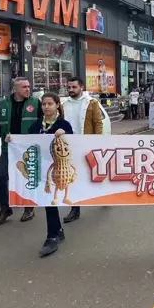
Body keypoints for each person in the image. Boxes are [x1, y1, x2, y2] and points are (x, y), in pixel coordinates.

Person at [8, 93, 73, 257]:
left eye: (50, 104)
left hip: (59, 169)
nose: (46, 107)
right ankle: (55, 233)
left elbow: (74, 145)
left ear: (57, 105)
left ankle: (53, 235)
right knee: (48, 202)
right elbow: (28, 144)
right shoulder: (36, 126)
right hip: (42, 170)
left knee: (53, 200)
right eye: (44, 104)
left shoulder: (63, 124)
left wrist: (64, 135)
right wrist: (13, 140)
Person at [0, 77, 41, 226]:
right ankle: (5, 209)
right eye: (24, 87)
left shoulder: (35, 103)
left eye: (28, 86)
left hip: (28, 148)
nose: (27, 89)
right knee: (1, 178)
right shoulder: (4, 104)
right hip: (9, 148)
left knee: (27, 178)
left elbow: (43, 124)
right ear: (15, 90)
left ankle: (29, 208)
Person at [61, 77, 104, 224]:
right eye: (69, 87)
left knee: (92, 173)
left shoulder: (91, 103)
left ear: (81, 87)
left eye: (74, 87)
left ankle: (103, 193)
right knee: (72, 178)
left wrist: (97, 141)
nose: (71, 90)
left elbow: (98, 123)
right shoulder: (63, 104)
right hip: (69, 146)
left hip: (86, 144)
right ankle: (75, 209)